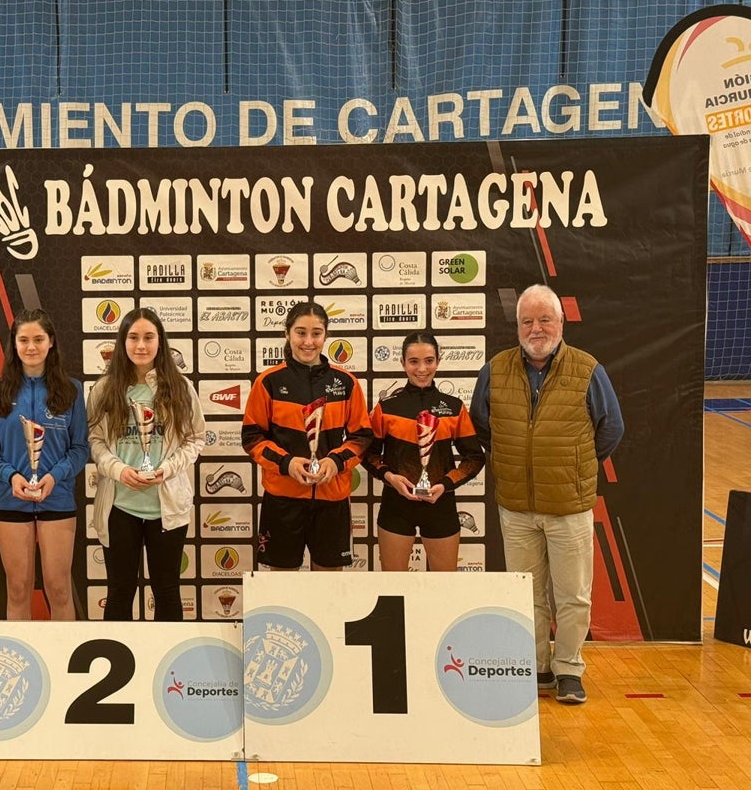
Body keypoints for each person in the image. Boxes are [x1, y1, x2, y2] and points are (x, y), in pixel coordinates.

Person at [470, 284, 624, 706]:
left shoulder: (588, 369)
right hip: (516, 507)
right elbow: (482, 426)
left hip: (568, 507)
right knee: (527, 592)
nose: (536, 328)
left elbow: (611, 428)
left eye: (545, 319)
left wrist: (573, 468)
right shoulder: (495, 369)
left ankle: (570, 669)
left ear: (561, 322)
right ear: (517, 325)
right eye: (527, 321)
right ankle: (536, 665)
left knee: (572, 595)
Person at [87, 308, 205, 621]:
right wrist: (118, 470)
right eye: (134, 337)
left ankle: (169, 669)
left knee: (167, 590)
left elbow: (195, 439)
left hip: (165, 508)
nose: (141, 345)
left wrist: (166, 469)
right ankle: (120, 665)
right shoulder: (104, 389)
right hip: (119, 506)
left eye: (149, 337)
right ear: (122, 342)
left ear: (160, 342)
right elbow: (95, 440)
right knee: (120, 590)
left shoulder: (179, 386)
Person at [0, 309, 88, 621]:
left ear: (51, 343)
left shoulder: (71, 391)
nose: (31, 347)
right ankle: (20, 668)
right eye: (24, 340)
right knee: (19, 588)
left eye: (38, 339)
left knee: (59, 588)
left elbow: (79, 449)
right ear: (14, 344)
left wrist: (54, 476)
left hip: (58, 498)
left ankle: (64, 666)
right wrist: (10, 477)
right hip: (11, 501)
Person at [242, 301, 374, 571]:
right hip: (282, 499)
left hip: (332, 499)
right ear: (287, 334)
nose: (308, 341)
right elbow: (252, 437)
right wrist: (286, 463)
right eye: (301, 332)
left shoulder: (346, 382)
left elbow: (362, 437)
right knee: (282, 582)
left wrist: (335, 462)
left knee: (327, 586)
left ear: (326, 336)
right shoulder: (268, 381)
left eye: (316, 333)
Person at [364, 331, 485, 571]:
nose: (422, 369)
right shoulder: (387, 408)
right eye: (414, 361)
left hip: (440, 505)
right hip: (396, 505)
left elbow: (474, 458)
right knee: (393, 588)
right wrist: (390, 477)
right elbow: (368, 454)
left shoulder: (453, 407)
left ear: (438, 362)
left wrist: (445, 485)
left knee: (443, 589)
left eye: (429, 360)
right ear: (403, 363)